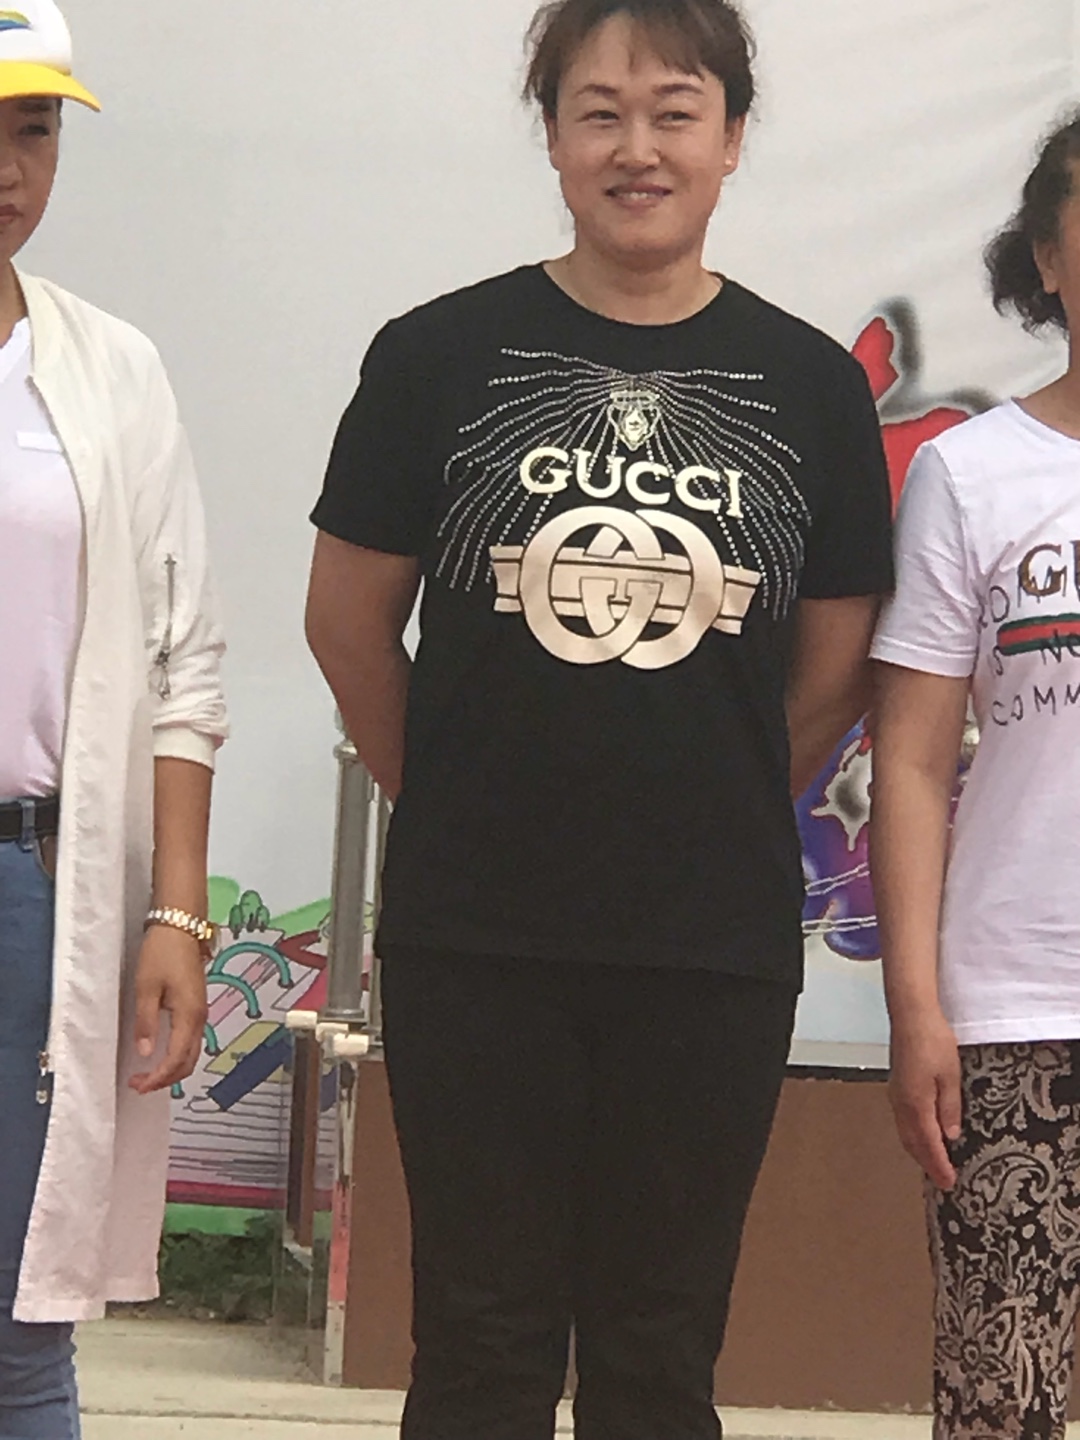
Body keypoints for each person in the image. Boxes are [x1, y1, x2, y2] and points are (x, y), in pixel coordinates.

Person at [307, 1, 892, 1436]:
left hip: (708, 952)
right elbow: (348, 623)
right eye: (601, 113)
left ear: (732, 139)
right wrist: (451, 790)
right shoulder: (435, 356)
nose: (640, 148)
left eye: (675, 112)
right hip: (474, 939)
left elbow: (834, 670)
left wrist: (715, 802)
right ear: (555, 137)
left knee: (658, 1352)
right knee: (480, 1346)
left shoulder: (814, 388)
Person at [0, 3, 227, 1433]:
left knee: (22, 1330)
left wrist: (176, 914)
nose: (8, 168)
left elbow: (182, 658)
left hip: (33, 893)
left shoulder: (109, 369)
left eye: (32, 131)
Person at [871, 111, 1080, 1440]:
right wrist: (917, 1007)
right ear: (1049, 260)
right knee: (1003, 1401)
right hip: (1018, 1007)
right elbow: (907, 756)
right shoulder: (972, 473)